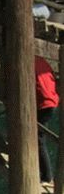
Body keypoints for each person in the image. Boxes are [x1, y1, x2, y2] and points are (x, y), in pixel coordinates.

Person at [35, 55, 59, 184]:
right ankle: (45, 175)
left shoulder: (26, 60)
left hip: (42, 103)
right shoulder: (41, 61)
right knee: (39, 138)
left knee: (39, 140)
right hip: (51, 102)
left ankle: (46, 176)